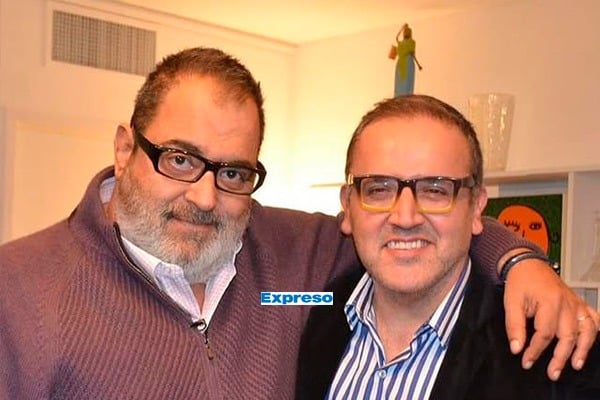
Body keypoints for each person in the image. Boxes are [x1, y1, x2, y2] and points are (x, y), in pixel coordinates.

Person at [0, 48, 596, 399]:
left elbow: (410, 233)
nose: (205, 197)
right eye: (180, 159)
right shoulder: (18, 289)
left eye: (234, 172)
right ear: (125, 149)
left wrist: (521, 261)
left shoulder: (294, 270)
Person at [296, 95, 600, 399]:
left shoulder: (560, 355)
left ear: (476, 207)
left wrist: (521, 260)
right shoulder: (309, 312)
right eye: (378, 190)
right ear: (348, 207)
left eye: (435, 190)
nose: (405, 217)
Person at [389, 23, 422, 97]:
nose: (406, 33)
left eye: (407, 32)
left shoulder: (412, 42)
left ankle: (406, 95)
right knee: (400, 81)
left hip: (408, 62)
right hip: (401, 63)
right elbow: (396, 37)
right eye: (405, 32)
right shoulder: (400, 43)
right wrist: (402, 28)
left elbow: (412, 53)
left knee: (407, 80)